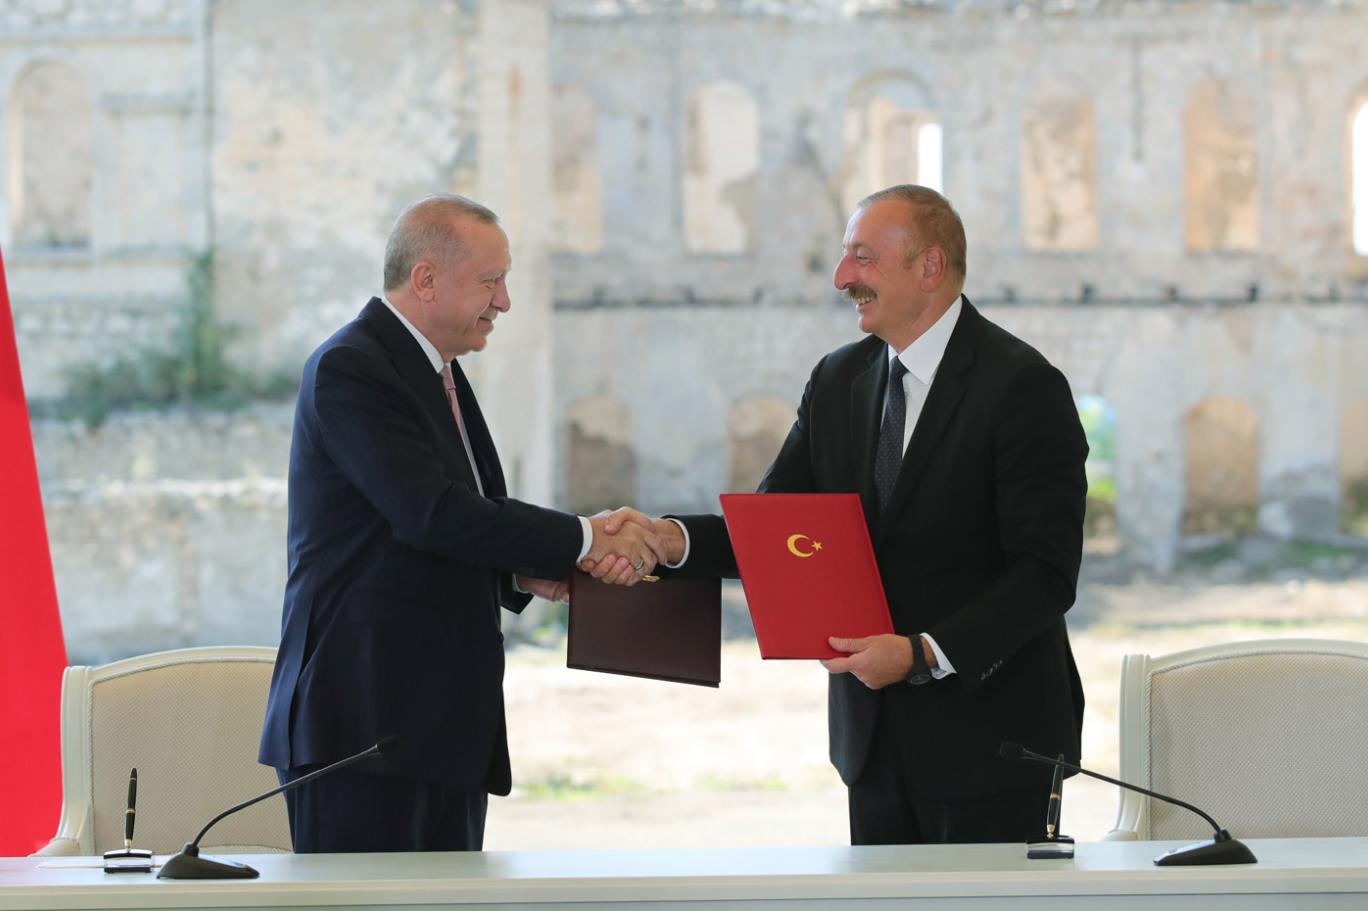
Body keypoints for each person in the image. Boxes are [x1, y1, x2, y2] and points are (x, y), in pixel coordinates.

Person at [589, 185, 1088, 845]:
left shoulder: (1023, 386)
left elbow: (1045, 574)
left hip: (996, 745)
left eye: (862, 257)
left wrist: (921, 654)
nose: (841, 277)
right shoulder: (836, 380)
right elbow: (775, 527)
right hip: (873, 745)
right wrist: (668, 539)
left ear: (930, 267)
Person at [259, 193, 662, 853]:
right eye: (490, 281)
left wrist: (523, 572)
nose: (504, 301)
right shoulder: (351, 367)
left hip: (439, 727)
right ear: (426, 279)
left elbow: (433, 525)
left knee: (452, 898)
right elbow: (432, 513)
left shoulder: (436, 369)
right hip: (362, 722)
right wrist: (585, 538)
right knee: (369, 904)